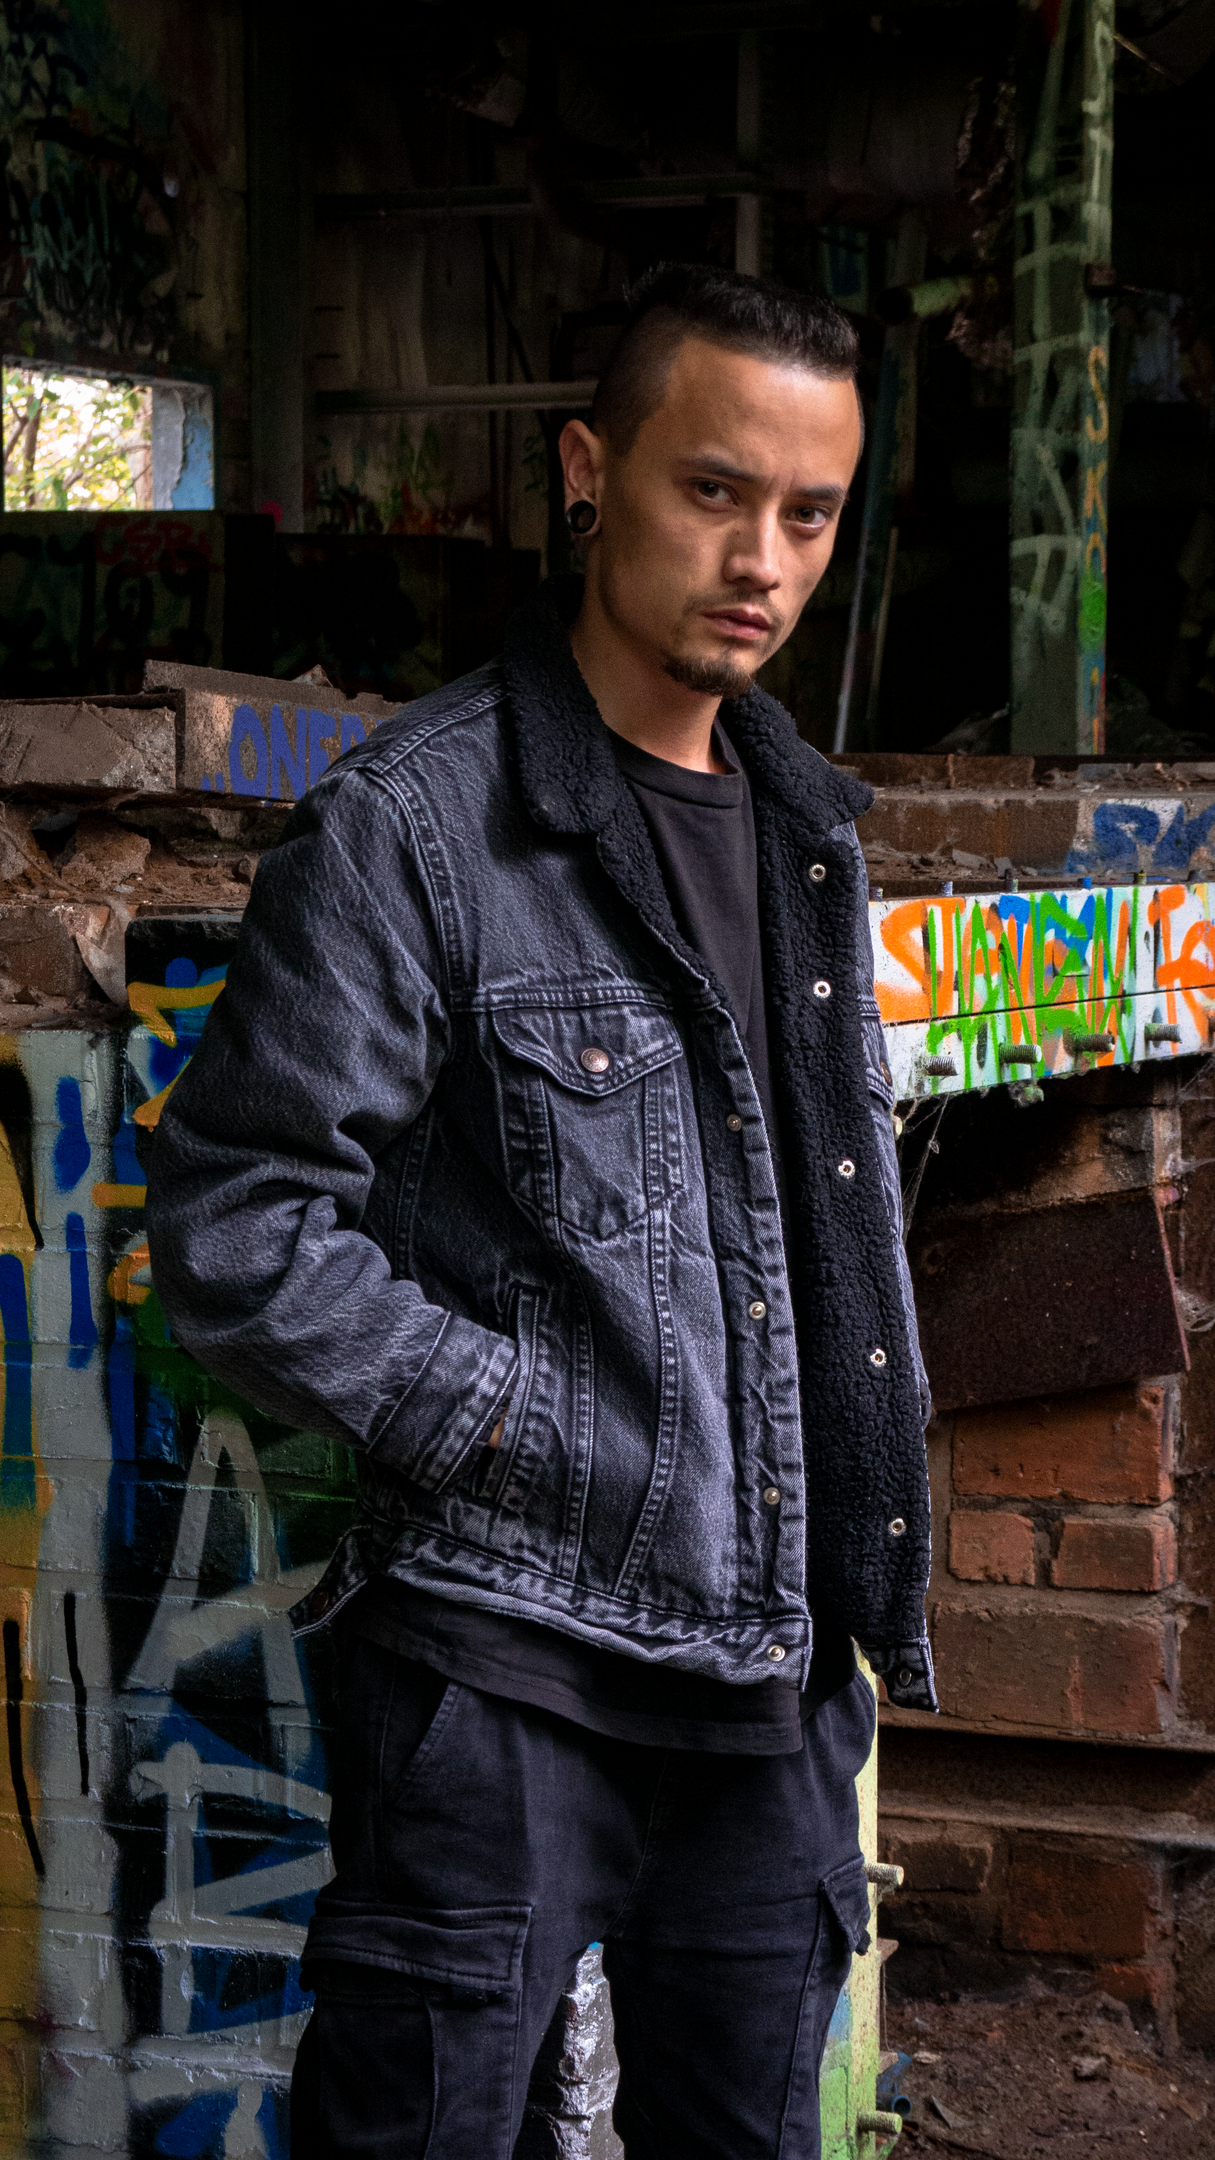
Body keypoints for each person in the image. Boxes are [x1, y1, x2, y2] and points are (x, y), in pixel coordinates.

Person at [146, 261, 935, 2160]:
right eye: (712, 490)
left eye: (808, 514)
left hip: (769, 1691)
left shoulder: (812, 841)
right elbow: (238, 1226)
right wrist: (521, 1422)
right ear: (590, 472)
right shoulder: (413, 827)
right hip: (508, 1675)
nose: (759, 560)